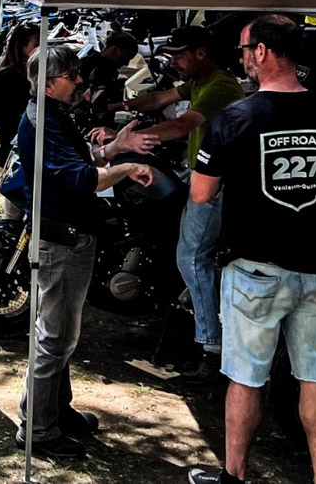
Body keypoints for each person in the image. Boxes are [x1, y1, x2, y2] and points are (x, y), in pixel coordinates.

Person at [188, 15, 316, 484]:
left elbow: (201, 194)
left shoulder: (236, 118)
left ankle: (235, 476)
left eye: (245, 50)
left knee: (246, 378)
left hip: (255, 272)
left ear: (263, 52)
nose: (242, 59)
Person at [3, 44, 156, 460]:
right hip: (60, 240)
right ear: (49, 83)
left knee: (62, 335)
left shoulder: (52, 116)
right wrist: (124, 167)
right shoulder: (41, 121)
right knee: (53, 338)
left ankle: (57, 410)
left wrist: (116, 147)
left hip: (68, 237)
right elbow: (80, 177)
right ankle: (36, 429)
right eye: (72, 77)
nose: (81, 81)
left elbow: (81, 159)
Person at [112, 24, 246, 380]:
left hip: (217, 185)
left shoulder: (221, 87)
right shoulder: (197, 83)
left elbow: (182, 125)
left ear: (201, 53)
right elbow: (158, 99)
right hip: (198, 173)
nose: (174, 62)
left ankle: (211, 347)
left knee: (192, 256)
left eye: (179, 55)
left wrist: (127, 141)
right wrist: (116, 107)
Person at [0, 22, 39, 169]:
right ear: (21, 45)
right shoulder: (8, 76)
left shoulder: (29, 73)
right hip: (15, 149)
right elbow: (9, 118)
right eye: (36, 44)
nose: (41, 49)